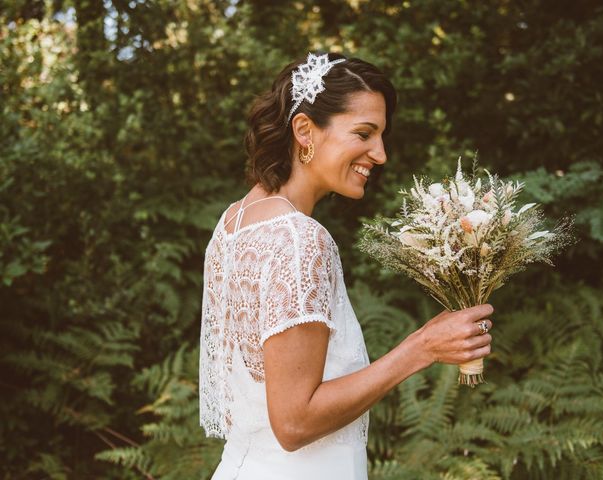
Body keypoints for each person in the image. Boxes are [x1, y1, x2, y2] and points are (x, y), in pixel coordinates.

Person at [199, 52, 493, 480]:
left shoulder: (235, 222)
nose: (380, 154)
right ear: (304, 130)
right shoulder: (299, 239)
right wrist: (422, 348)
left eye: (381, 136)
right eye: (364, 133)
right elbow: (294, 422)